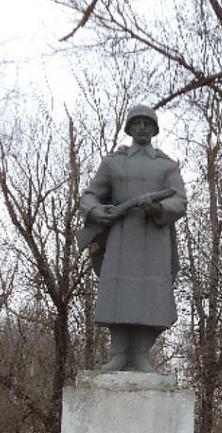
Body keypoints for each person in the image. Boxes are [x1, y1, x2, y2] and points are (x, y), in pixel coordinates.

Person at [78, 104, 187, 373]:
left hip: (155, 237)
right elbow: (91, 194)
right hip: (121, 236)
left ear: (154, 128)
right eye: (136, 123)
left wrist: (159, 208)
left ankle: (140, 355)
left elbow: (180, 200)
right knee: (120, 294)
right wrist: (95, 210)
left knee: (152, 297)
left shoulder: (166, 165)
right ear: (128, 127)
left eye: (147, 123)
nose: (142, 127)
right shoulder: (113, 162)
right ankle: (118, 354)